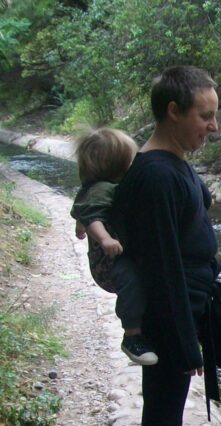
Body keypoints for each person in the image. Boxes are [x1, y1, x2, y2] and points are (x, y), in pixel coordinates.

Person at [111, 66, 221, 426]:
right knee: (163, 420)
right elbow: (162, 266)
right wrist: (180, 340)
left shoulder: (171, 166)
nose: (213, 127)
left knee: (166, 416)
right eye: (205, 116)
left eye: (215, 116)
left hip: (191, 303)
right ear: (173, 112)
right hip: (174, 311)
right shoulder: (156, 176)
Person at [71, 127, 158, 366]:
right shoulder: (101, 189)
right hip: (109, 263)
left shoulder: (97, 188)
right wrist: (104, 238)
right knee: (132, 279)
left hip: (115, 256)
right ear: (117, 164)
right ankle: (132, 336)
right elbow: (92, 216)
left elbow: (81, 210)